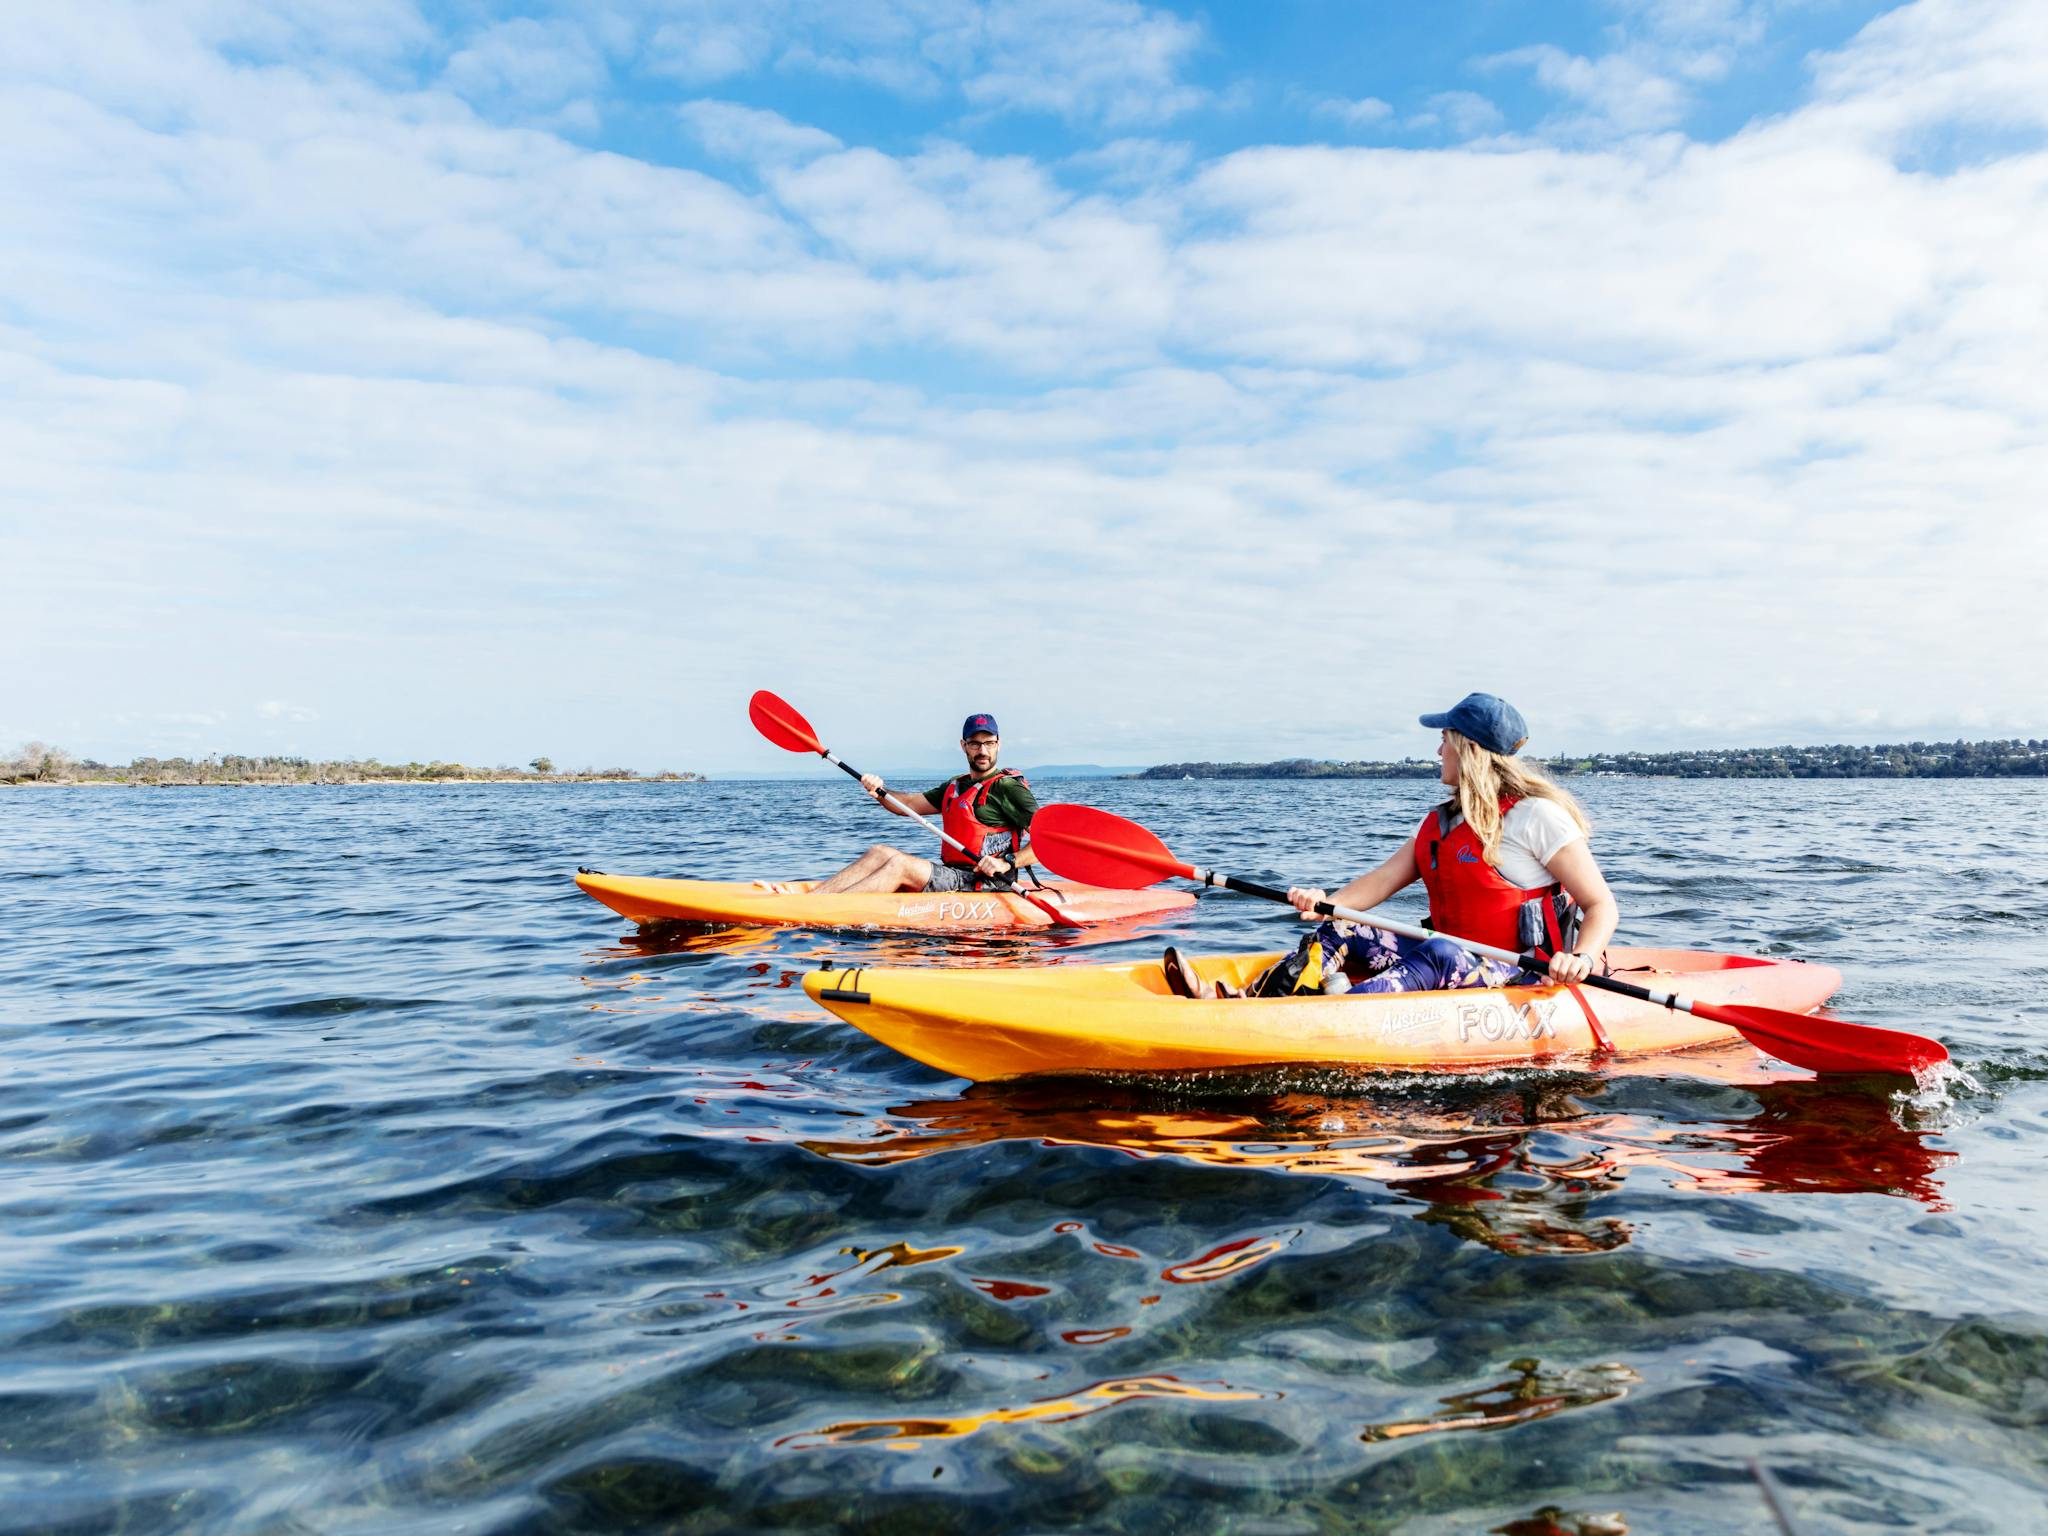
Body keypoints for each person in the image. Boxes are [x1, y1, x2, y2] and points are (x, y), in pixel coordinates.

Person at [1163, 692, 1618, 999]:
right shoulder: (1441, 823)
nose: (1439, 752)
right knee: (1344, 928)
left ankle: (1329, 1017)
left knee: (1441, 952)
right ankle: (1251, 1001)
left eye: (1444, 741)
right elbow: (1382, 881)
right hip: (1453, 961)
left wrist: (1579, 959)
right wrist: (1326, 903)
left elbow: (1600, 904)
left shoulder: (1536, 816)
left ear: (1469, 750)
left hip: (1519, 974)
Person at [774, 713, 1040, 895]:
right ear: (964, 745)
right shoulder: (955, 786)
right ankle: (812, 901)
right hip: (954, 875)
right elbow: (909, 804)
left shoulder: (1008, 787)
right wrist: (879, 791)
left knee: (899, 865)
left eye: (989, 743)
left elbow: (1046, 841)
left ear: (998, 744)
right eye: (975, 743)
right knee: (880, 852)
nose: (982, 750)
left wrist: (1007, 863)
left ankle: (819, 911)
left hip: (987, 883)